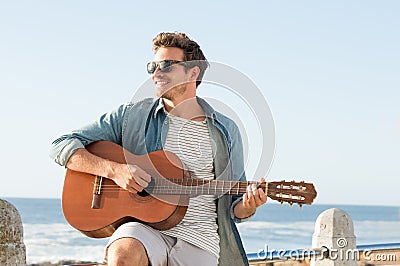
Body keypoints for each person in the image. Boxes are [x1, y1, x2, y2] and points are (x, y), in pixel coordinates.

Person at [50, 32, 267, 266]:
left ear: (193, 72)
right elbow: (61, 145)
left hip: (201, 239)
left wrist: (249, 204)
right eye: (152, 66)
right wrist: (114, 171)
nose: (156, 73)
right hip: (145, 229)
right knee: (123, 254)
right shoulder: (130, 116)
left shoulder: (225, 130)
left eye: (166, 65)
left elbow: (235, 206)